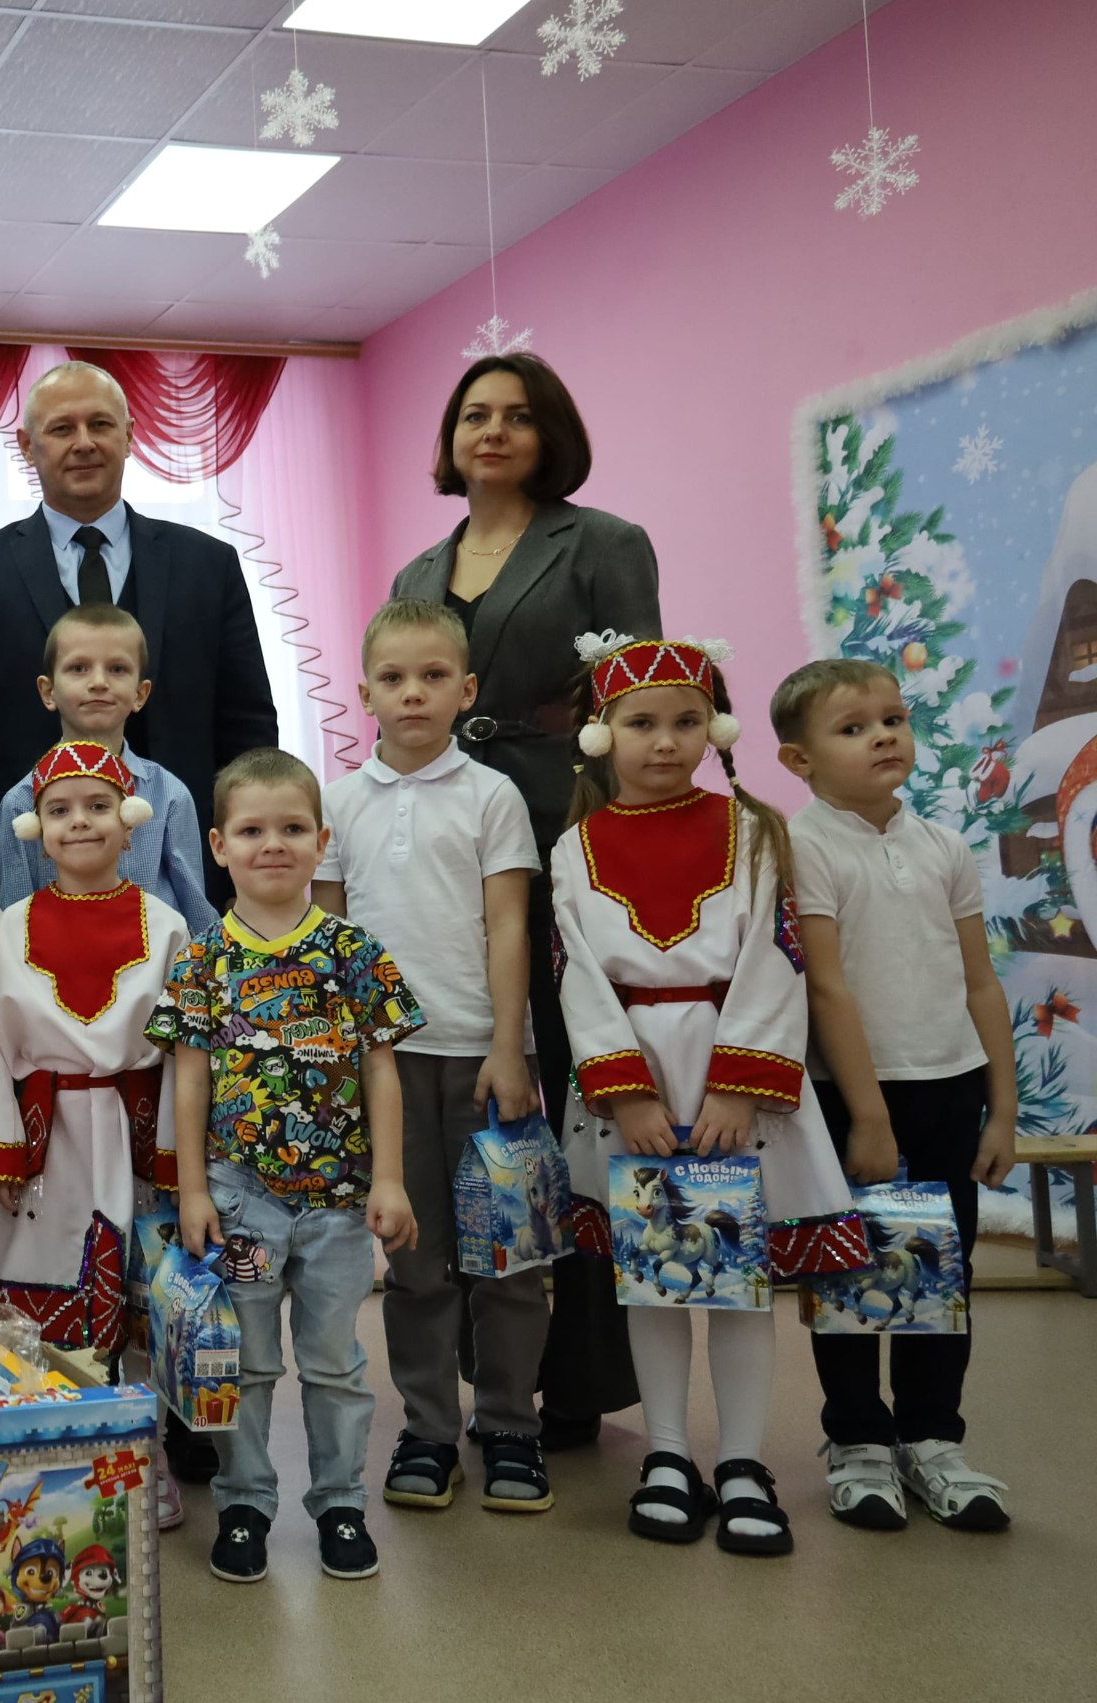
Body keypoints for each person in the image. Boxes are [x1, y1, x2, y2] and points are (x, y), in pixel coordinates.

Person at [388, 352, 659, 1443]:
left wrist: (619, 838)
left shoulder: (602, 543)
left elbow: (640, 699)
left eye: (514, 415)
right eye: (473, 415)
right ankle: (489, 1367)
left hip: (566, 831)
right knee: (472, 1111)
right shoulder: (419, 568)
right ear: (451, 438)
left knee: (568, 1102)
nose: (491, 431)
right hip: (445, 843)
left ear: (551, 434)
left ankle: (581, 1374)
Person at [550, 635, 853, 1557]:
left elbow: (776, 956)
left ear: (714, 729)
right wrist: (626, 1095)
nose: (665, 740)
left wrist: (739, 1087)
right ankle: (669, 1454)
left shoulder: (753, 830)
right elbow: (576, 978)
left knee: (735, 1281)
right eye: (642, 722)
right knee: (655, 1278)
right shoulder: (572, 846)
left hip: (733, 1082)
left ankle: (746, 1462)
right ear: (601, 734)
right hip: (633, 1087)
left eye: (687, 721)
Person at [151, 748, 422, 1587]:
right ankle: (244, 1502)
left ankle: (340, 1502)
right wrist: (193, 1190)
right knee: (247, 1361)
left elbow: (381, 1068)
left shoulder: (353, 950)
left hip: (339, 1203)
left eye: (293, 828)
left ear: (321, 841)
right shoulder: (202, 958)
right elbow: (188, 1078)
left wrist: (389, 1178)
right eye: (252, 830)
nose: (273, 843)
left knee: (336, 1362)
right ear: (219, 845)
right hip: (240, 1204)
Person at [310, 603, 550, 1515]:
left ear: (467, 689)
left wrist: (509, 1046)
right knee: (413, 1260)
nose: (413, 693)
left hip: (486, 1060)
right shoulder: (337, 802)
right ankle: (429, 1429)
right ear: (364, 692)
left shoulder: (492, 795)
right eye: (394, 677)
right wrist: (341, 1055)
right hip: (387, 1069)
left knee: (509, 1257)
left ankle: (511, 1425)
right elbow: (330, 940)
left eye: (434, 676)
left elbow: (508, 923)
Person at [773, 659, 1018, 1532]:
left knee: (940, 1270)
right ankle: (857, 1440)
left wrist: (1003, 1107)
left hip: (949, 1086)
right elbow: (827, 986)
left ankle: (931, 1437)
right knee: (848, 1265)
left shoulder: (943, 845)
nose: (883, 736)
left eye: (893, 719)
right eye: (853, 728)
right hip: (853, 1097)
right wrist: (870, 1115)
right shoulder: (804, 845)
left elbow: (980, 981)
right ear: (798, 760)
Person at [0, 360, 278, 893]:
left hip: (182, 868)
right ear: (27, 446)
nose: (84, 443)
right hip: (23, 865)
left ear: (130, 436)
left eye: (100, 424)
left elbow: (248, 726)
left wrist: (243, 860)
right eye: (61, 428)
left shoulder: (208, 566)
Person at [0, 740, 189, 1353]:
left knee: (141, 1285)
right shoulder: (11, 926)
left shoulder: (168, 926)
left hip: (133, 1134)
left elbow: (181, 1058)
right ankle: (43, 1403)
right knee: (37, 1295)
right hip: (46, 1139)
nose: (80, 821)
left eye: (98, 806)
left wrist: (178, 1161)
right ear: (38, 833)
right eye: (59, 810)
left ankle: (135, 1410)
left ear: (129, 825)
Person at [0, 605, 217, 936]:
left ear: (140, 693)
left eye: (117, 669)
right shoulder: (21, 803)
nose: (99, 682)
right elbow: (16, 924)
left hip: (159, 964)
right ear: (48, 691)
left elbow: (196, 913)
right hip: (57, 962)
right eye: (79, 668)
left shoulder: (169, 793)